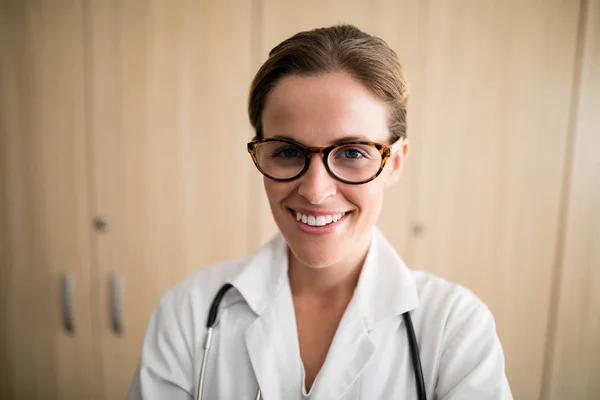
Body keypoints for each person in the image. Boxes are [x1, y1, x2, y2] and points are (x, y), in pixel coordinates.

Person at [128, 24, 512, 399]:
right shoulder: (190, 312)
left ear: (394, 163)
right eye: (288, 151)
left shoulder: (455, 328)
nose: (314, 191)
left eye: (352, 153)